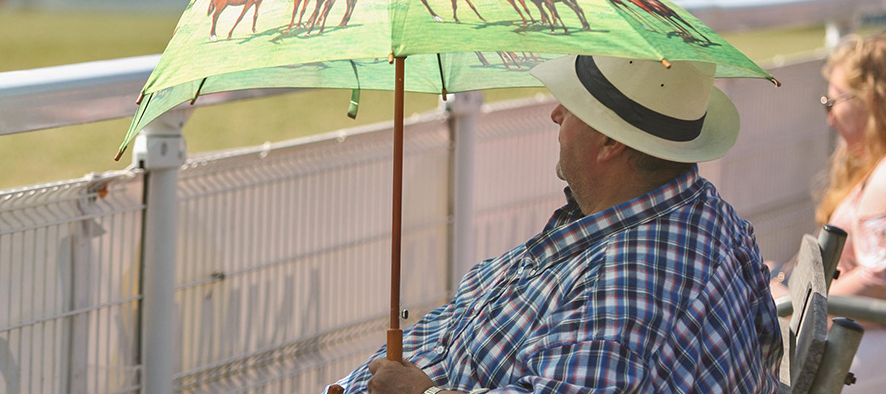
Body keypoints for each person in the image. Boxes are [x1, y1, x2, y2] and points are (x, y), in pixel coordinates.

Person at [328, 54, 783, 394]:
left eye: (573, 104)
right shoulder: (688, 210)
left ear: (607, 143)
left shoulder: (629, 283)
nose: (556, 113)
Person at [804, 32, 886, 392]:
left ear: (870, 99)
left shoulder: (883, 175)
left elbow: (878, 281)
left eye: (832, 100)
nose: (829, 117)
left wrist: (802, 307)